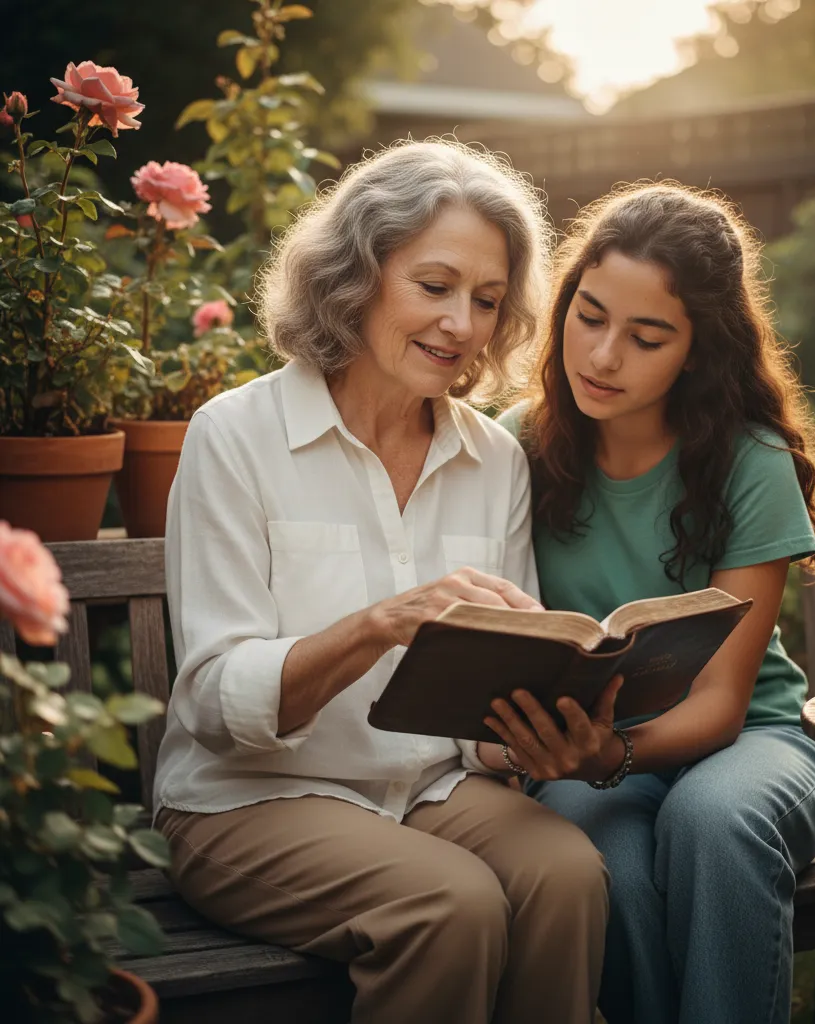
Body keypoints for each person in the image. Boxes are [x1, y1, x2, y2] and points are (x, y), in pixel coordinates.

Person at [152, 140, 609, 1024]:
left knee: (569, 874)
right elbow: (213, 702)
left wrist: (537, 734)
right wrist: (376, 625)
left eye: (485, 301)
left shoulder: (494, 459)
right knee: (453, 905)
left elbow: (482, 722)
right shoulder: (234, 436)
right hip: (247, 801)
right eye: (433, 287)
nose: (462, 326)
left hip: (431, 790)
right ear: (354, 277)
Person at [493, 183, 815, 1024]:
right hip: (587, 756)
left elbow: (723, 704)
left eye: (646, 337)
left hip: (754, 740)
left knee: (711, 822)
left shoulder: (747, 463)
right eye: (589, 315)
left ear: (698, 350)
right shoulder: (516, 446)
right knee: (591, 839)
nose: (603, 356)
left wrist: (607, 756)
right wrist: (574, 756)